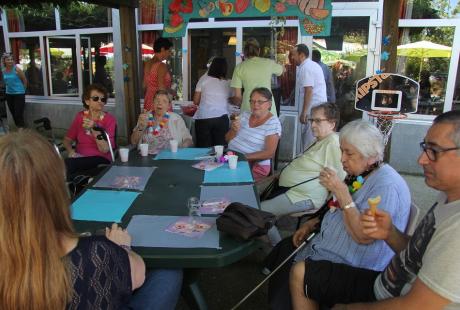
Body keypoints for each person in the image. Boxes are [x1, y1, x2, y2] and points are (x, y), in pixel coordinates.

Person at [290, 110, 460, 310]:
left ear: (369, 156)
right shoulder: (446, 199)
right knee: (291, 255)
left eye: (434, 150)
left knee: (300, 272)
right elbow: (418, 255)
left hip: (378, 283)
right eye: (424, 147)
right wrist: (390, 233)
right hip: (385, 282)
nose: (421, 159)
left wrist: (350, 308)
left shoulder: (455, 227)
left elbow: (416, 306)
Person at [0, 129, 183, 309]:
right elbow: (138, 274)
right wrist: (122, 248)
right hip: (112, 274)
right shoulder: (97, 253)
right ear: (56, 187)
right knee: (169, 270)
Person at [267, 120, 410, 310]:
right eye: (342, 150)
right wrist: (313, 222)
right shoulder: (362, 174)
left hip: (354, 264)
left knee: (298, 270)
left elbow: (363, 236)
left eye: (348, 153)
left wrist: (341, 192)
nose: (342, 159)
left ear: (371, 155)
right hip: (329, 246)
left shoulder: (386, 185)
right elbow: (334, 207)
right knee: (286, 247)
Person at [261, 103, 346, 245]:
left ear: (332, 123)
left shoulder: (332, 142)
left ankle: (277, 252)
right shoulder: (320, 140)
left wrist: (327, 208)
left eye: (318, 121)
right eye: (311, 120)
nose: (312, 125)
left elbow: (341, 178)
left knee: (259, 213)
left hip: (304, 196)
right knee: (254, 205)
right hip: (291, 191)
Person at [225, 87, 281, 181]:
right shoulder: (244, 115)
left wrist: (242, 157)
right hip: (231, 158)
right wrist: (233, 130)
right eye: (252, 101)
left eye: (260, 102)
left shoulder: (273, 123)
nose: (255, 105)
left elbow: (270, 153)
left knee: (223, 180)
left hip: (252, 165)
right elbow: (227, 139)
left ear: (269, 104)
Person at [63, 83, 117, 180]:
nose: (100, 101)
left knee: (68, 166)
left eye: (103, 99)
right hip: (80, 158)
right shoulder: (80, 117)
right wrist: (70, 151)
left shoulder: (109, 120)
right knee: (68, 168)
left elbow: (105, 149)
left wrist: (94, 128)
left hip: (100, 159)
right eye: (96, 98)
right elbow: (67, 139)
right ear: (87, 101)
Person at [230, 37, 284, 116]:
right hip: (267, 109)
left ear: (244, 52)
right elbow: (282, 71)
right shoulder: (268, 63)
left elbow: (238, 97)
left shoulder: (239, 67)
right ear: (259, 50)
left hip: (248, 109)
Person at [131, 89, 193, 154]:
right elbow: (133, 141)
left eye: (164, 101)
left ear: (169, 106)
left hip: (170, 158)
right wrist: (141, 126)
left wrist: (182, 147)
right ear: (153, 103)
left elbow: (188, 139)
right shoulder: (145, 117)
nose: (160, 103)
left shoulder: (176, 119)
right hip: (147, 157)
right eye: (157, 100)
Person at [291, 44, 327, 150]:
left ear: (301, 55)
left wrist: (304, 112)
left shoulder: (306, 67)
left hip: (313, 111)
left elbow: (309, 91)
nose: (292, 58)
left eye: (294, 55)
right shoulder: (310, 65)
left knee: (309, 145)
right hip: (316, 110)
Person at [193, 56, 232, 147]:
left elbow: (195, 101)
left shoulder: (203, 79)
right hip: (221, 119)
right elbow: (233, 100)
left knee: (203, 150)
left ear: (212, 66)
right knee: (220, 149)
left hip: (203, 118)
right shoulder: (229, 83)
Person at [143, 38, 173, 111]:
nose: (169, 54)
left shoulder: (147, 63)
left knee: (150, 122)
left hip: (149, 101)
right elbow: (161, 88)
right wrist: (170, 93)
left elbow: (144, 85)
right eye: (169, 51)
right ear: (162, 49)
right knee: (162, 122)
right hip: (160, 104)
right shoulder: (161, 65)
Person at [1, 52, 27, 128]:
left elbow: (24, 80)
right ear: (4, 61)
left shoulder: (17, 69)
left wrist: (23, 91)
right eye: (8, 59)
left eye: (11, 59)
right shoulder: (3, 71)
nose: (10, 61)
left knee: (18, 114)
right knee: (13, 114)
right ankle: (19, 129)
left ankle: (21, 131)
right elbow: (6, 82)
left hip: (19, 94)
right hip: (9, 94)